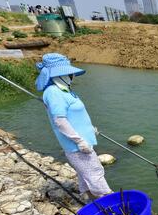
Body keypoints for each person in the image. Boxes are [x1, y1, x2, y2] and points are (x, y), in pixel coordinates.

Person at [35, 53, 113, 201]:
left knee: (86, 174)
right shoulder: (53, 92)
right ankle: (108, 202)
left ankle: (92, 201)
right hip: (76, 145)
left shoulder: (65, 90)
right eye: (69, 73)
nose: (72, 76)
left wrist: (90, 129)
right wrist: (79, 140)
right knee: (95, 172)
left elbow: (76, 116)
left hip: (83, 141)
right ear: (58, 74)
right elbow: (60, 121)